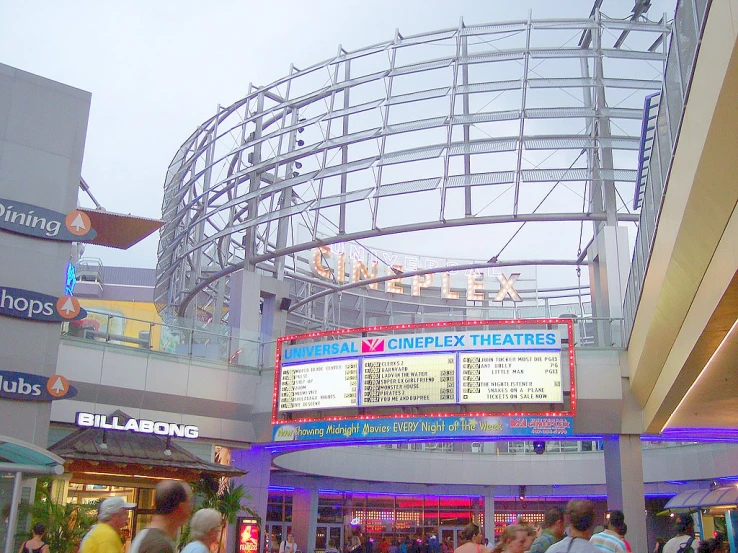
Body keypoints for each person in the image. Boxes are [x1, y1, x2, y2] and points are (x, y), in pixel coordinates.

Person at [130, 480, 193, 553]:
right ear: (181, 507)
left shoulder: (143, 535)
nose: (191, 507)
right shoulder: (161, 545)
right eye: (189, 502)